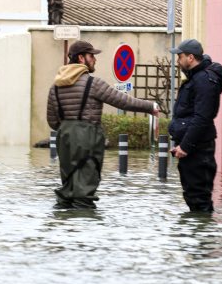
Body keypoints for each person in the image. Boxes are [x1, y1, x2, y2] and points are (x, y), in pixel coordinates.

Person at [46, 40, 159, 209]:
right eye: (91, 56)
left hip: (64, 138)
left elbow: (52, 121)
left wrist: (68, 129)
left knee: (68, 189)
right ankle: (85, 223)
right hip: (88, 137)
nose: (95, 59)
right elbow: (122, 101)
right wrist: (150, 107)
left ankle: (63, 222)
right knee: (84, 192)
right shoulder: (93, 84)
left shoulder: (55, 86)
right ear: (81, 58)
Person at [168, 39, 222, 213]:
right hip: (192, 148)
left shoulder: (204, 80)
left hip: (198, 149)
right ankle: (195, 229)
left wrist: (185, 146)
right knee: (192, 196)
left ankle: (202, 230)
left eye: (180, 56)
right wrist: (181, 145)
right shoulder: (196, 78)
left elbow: (202, 118)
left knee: (199, 199)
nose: (178, 61)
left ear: (190, 57)